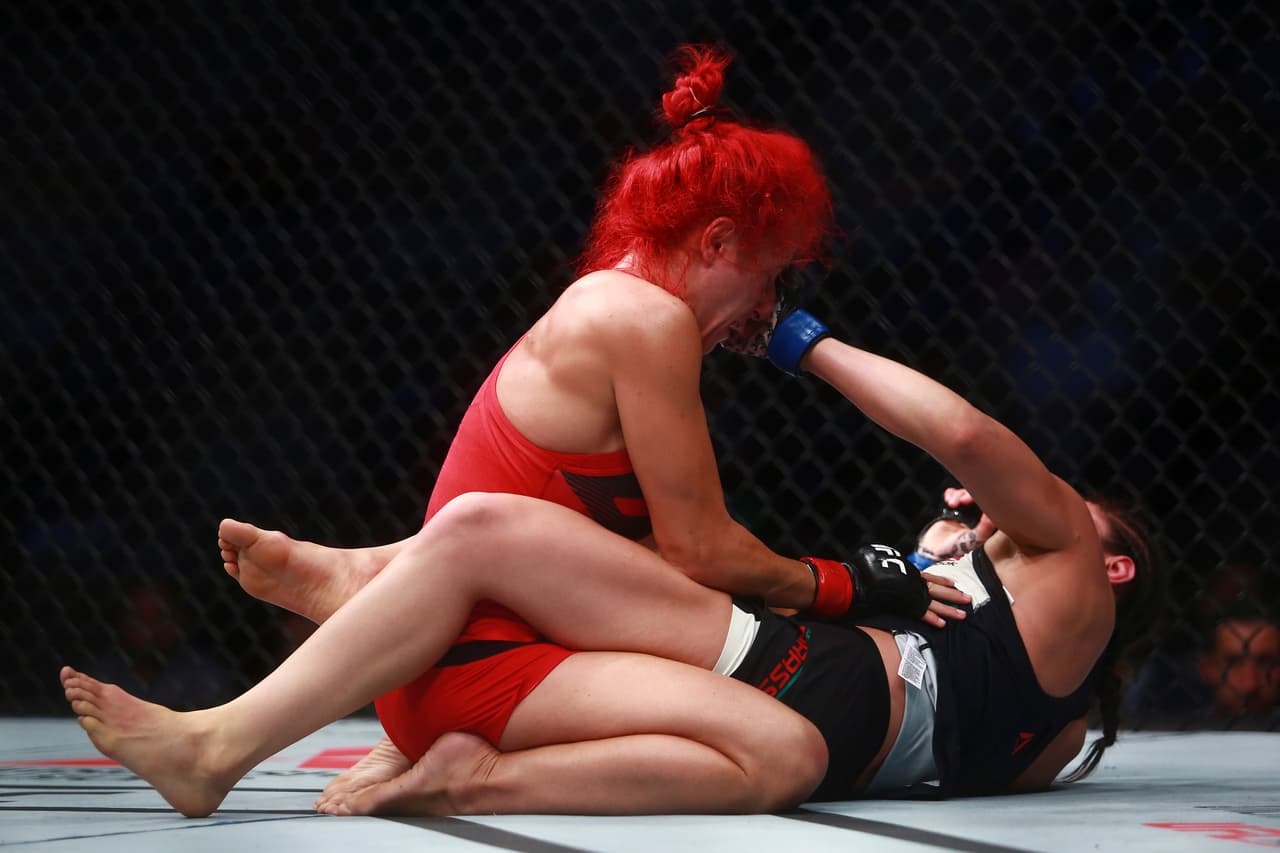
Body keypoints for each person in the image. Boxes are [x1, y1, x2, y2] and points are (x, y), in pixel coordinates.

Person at [60, 311, 1156, 816]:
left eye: (1082, 515)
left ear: (1115, 570)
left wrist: (794, 337)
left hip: (800, 679)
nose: (1055, 501)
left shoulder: (1067, 586)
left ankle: (274, 688)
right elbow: (951, 677)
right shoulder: (1054, 718)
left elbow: (960, 434)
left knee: (498, 531)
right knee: (594, 547)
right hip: (801, 690)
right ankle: (371, 572)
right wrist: (951, 544)